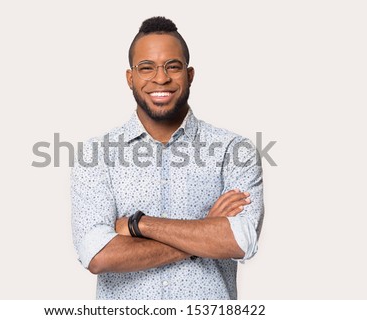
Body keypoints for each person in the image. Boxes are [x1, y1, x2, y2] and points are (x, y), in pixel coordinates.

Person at [71, 16, 264, 300]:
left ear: (190, 75)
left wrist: (139, 225)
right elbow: (97, 255)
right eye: (146, 68)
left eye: (172, 66)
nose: (160, 78)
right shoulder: (95, 155)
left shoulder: (234, 150)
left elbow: (240, 240)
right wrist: (205, 231)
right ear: (130, 78)